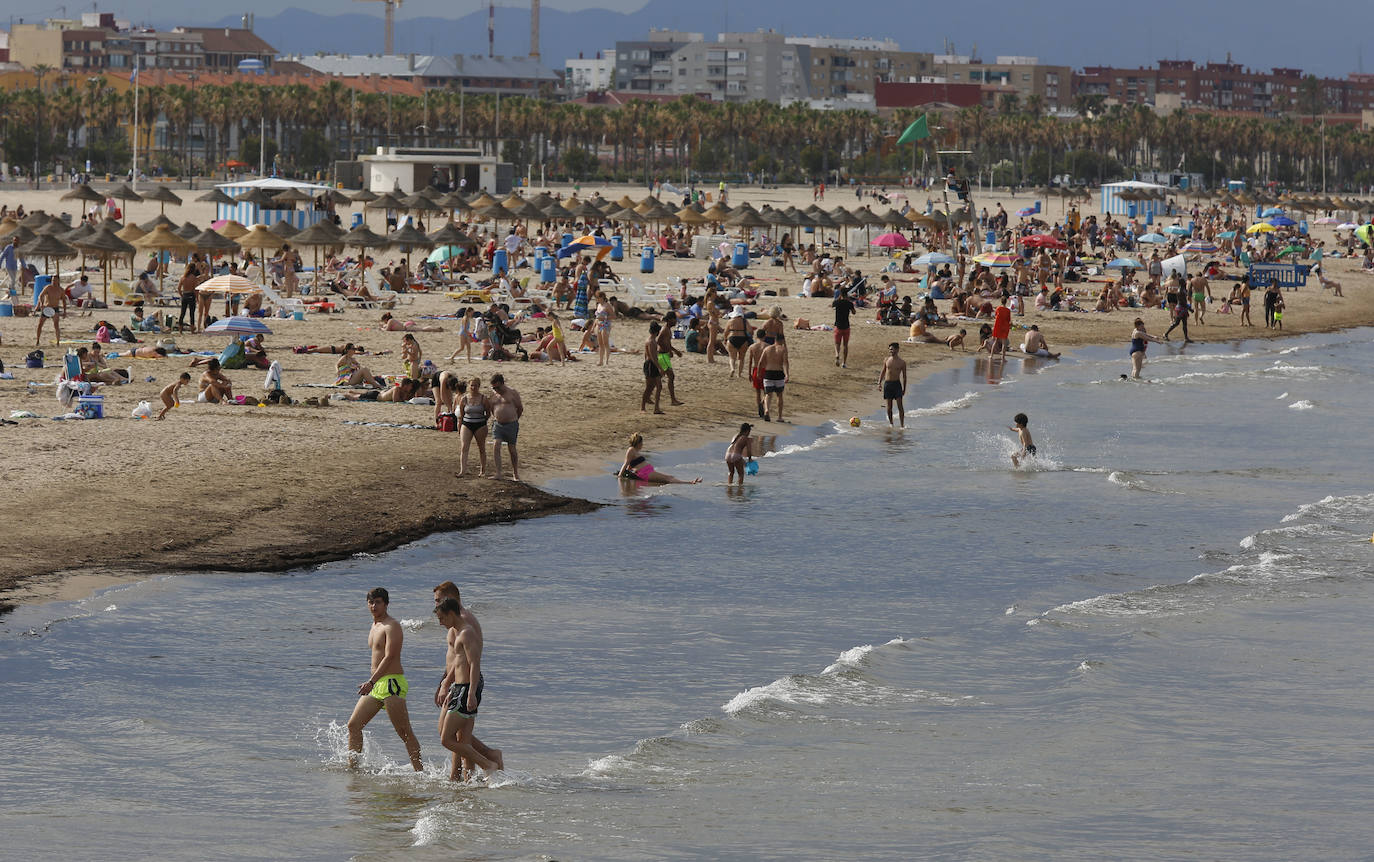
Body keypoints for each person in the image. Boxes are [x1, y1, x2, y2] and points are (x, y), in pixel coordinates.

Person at [346, 588, 423, 772]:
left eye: (378, 602)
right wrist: (373, 683)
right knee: (353, 725)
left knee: (404, 733)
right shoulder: (374, 626)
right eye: (371, 602)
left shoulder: (392, 626)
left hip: (391, 683)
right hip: (377, 684)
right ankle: (353, 771)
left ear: (386, 604)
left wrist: (371, 682)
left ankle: (421, 773)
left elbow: (389, 657)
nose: (374, 606)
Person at [431, 583, 503, 779]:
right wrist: (445, 682)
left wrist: (450, 685)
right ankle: (467, 778)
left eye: (439, 600)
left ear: (450, 599)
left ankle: (480, 764)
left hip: (465, 684)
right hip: (459, 683)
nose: (436, 604)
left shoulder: (464, 622)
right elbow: (458, 656)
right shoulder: (458, 623)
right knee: (459, 736)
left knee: (449, 735)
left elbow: (471, 660)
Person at [618, 432, 700, 484]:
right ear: (638, 443)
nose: (642, 445)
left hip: (647, 471)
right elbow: (626, 463)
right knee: (668, 479)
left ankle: (689, 482)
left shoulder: (635, 451)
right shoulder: (631, 450)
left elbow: (630, 465)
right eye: (642, 443)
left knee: (668, 478)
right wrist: (620, 476)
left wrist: (629, 472)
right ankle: (690, 482)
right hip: (645, 473)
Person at [488, 373, 523, 481]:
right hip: (498, 424)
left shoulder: (512, 393)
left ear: (503, 383)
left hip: (511, 424)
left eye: (498, 387)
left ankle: (515, 473)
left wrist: (514, 419)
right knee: (496, 445)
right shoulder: (493, 395)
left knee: (512, 449)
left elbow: (520, 408)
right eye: (494, 388)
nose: (496, 389)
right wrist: (496, 417)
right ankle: (498, 473)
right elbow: (491, 408)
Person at [458, 376, 491, 477]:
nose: (473, 388)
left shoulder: (483, 398)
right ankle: (463, 470)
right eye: (471, 385)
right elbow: (462, 414)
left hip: (480, 424)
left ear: (479, 386)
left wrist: (483, 421)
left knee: (481, 447)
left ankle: (483, 470)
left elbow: (488, 413)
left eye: (475, 386)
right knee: (464, 447)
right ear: (469, 386)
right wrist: (460, 426)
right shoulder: (464, 399)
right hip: (467, 424)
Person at [656, 311, 685, 406]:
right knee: (671, 376)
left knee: (659, 377)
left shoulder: (668, 329)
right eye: (674, 319)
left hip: (664, 355)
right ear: (669, 320)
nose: (676, 321)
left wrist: (675, 351)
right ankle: (673, 400)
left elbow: (667, 343)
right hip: (662, 355)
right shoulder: (665, 329)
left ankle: (648, 396)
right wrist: (668, 350)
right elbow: (658, 340)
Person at [759, 335, 789, 423]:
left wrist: (759, 373)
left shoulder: (767, 349)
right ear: (782, 340)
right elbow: (785, 363)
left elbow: (761, 361)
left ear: (775, 340)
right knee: (779, 395)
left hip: (768, 373)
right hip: (779, 373)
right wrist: (787, 374)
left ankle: (767, 410)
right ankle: (779, 416)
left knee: (768, 394)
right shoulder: (783, 349)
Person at [878, 342, 908, 428]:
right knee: (889, 407)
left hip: (897, 385)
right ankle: (891, 424)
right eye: (890, 349)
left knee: (900, 406)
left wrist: (904, 389)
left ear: (897, 350)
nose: (891, 351)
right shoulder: (887, 360)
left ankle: (902, 425)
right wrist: (879, 383)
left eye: (892, 349)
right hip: (888, 384)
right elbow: (883, 371)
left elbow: (904, 377)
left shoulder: (902, 362)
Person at [35, 276, 66, 347]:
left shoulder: (61, 290)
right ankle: (37, 340)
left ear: (58, 281)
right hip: (47, 308)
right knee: (40, 325)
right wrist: (41, 304)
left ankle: (58, 342)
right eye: (52, 280)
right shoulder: (48, 288)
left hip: (55, 309)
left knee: (56, 325)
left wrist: (65, 311)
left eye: (55, 280)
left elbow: (64, 301)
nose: (53, 282)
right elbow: (40, 296)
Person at [723, 310, 751, 378]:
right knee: (741, 358)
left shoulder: (730, 321)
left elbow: (726, 332)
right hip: (743, 339)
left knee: (732, 357)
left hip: (732, 338)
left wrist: (725, 339)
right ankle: (739, 374)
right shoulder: (744, 321)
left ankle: (732, 369)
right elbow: (750, 331)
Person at [989, 295, 1012, 361]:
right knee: (1004, 343)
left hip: (998, 326)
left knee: (996, 341)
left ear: (1001, 302)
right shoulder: (1008, 310)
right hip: (1005, 326)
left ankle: (991, 355)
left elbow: (996, 316)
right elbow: (1009, 319)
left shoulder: (998, 308)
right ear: (1006, 302)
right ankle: (1003, 357)